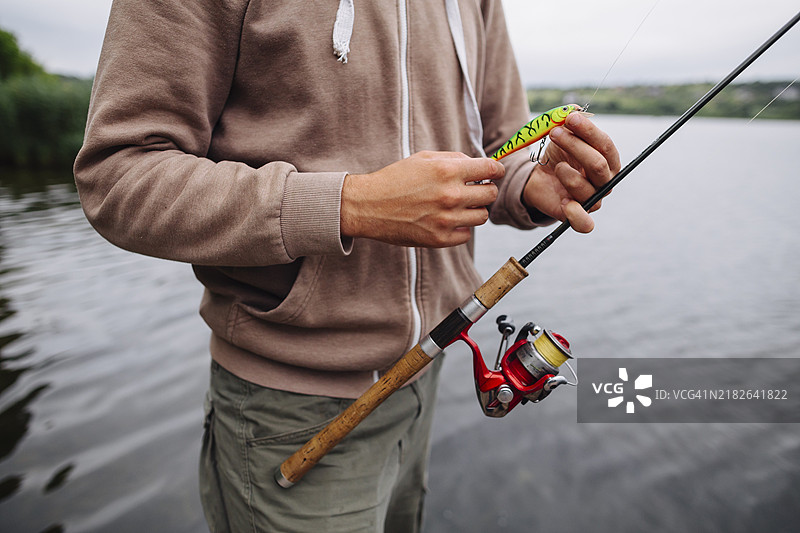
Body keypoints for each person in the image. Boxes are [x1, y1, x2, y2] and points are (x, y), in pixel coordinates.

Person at [74, 0, 620, 531]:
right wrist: (352, 204)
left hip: (423, 381)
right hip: (287, 410)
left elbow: (498, 145)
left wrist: (529, 185)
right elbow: (120, 174)